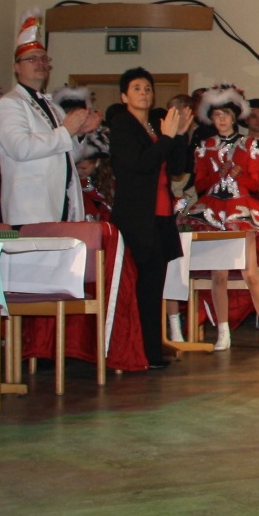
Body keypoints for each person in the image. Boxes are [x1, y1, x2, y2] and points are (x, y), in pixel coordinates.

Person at [182, 85, 259, 351]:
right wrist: (217, 174)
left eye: (226, 115)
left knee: (250, 272)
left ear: (234, 118)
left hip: (240, 210)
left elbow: (254, 184)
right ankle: (223, 332)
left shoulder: (249, 144)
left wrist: (239, 173)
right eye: (217, 115)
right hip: (213, 212)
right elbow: (200, 184)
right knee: (218, 274)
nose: (221, 119)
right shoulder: (205, 146)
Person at [105, 67, 194, 370]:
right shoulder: (122, 125)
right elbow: (142, 164)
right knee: (140, 286)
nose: (144, 93)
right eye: (136, 88)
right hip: (136, 217)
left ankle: (151, 350)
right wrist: (167, 138)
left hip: (161, 215)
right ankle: (140, 351)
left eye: (147, 88)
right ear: (124, 96)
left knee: (154, 286)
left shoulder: (156, 127)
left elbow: (177, 168)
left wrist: (179, 137)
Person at [0, 9, 100, 226]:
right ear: (16, 67)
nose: (40, 63)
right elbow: (21, 148)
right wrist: (66, 131)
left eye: (43, 58)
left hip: (60, 202)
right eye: (31, 59)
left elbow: (67, 154)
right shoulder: (10, 103)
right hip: (30, 207)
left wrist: (79, 133)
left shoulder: (53, 107)